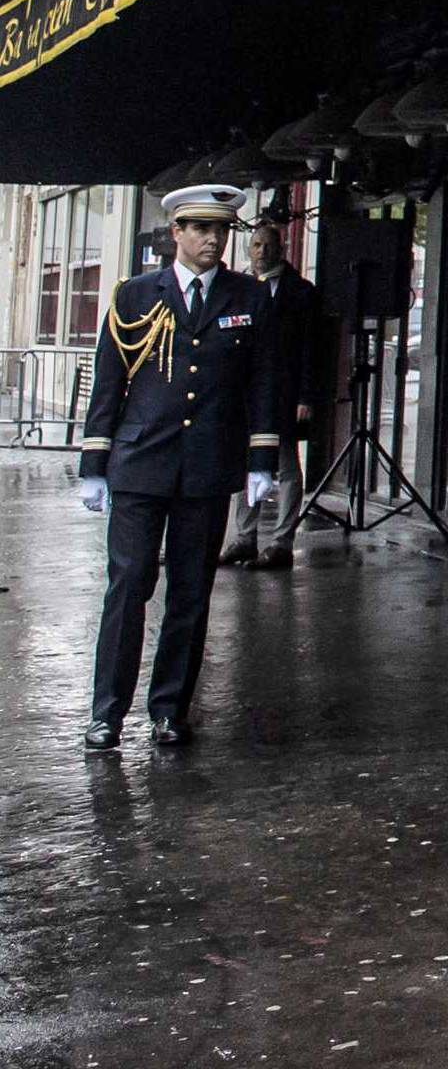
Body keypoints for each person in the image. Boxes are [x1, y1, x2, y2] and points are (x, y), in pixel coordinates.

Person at [76, 185, 282, 754]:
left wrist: (262, 458)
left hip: (208, 467)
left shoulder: (250, 297)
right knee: (129, 586)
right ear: (177, 233)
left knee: (191, 593)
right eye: (199, 229)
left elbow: (265, 382)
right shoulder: (137, 294)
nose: (212, 240)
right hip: (141, 464)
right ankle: (107, 714)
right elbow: (109, 382)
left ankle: (168, 710)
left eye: (220, 231)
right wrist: (94, 463)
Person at [220, 218, 326, 571]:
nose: (262, 251)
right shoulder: (237, 288)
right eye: (256, 245)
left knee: (285, 465)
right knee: (245, 463)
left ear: (281, 249)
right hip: (245, 394)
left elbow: (314, 348)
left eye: (268, 245)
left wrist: (306, 397)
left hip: (284, 392)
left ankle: (281, 541)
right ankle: (243, 539)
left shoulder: (301, 292)